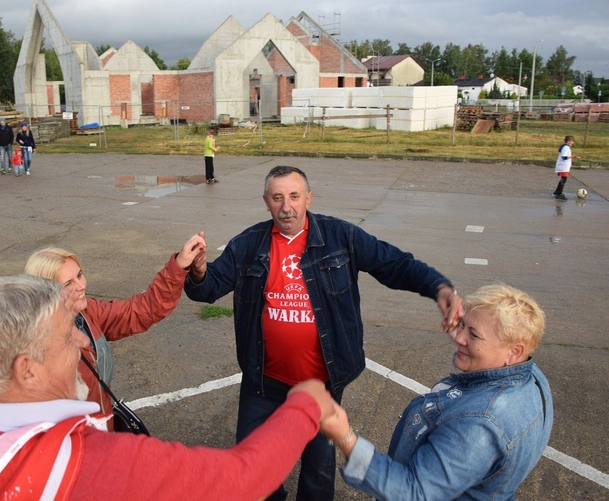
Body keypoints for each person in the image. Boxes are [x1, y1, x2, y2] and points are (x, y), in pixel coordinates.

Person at [0, 274, 345, 500]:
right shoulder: (90, 464)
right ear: (26, 371)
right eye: (68, 336)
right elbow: (243, 480)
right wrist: (305, 404)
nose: (80, 342)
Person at [184, 165, 462, 500]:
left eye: (294, 196)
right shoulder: (247, 244)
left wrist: (438, 287)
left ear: (308, 198)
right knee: (252, 468)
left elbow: (394, 264)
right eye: (277, 198)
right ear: (266, 202)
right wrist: (199, 271)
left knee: (317, 472)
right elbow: (208, 288)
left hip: (321, 384)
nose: (286, 206)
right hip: (263, 383)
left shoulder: (341, 237)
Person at [321, 283, 553, 500]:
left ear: (514, 352)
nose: (459, 338)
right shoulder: (531, 378)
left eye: (474, 334)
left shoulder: (479, 424)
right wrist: (471, 343)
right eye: (463, 325)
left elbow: (413, 492)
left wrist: (344, 437)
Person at [24, 233, 205, 415]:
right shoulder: (33, 347)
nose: (81, 285)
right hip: (76, 437)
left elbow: (141, 311)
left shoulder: (87, 314)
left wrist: (179, 265)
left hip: (102, 428)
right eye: (68, 283)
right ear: (46, 292)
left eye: (80, 275)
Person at [553, 135, 579, 200]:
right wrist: (572, 157)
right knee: (563, 179)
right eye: (571, 141)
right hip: (563, 166)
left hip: (563, 166)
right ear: (568, 141)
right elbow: (564, 157)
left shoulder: (565, 147)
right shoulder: (566, 148)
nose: (572, 143)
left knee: (563, 179)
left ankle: (557, 192)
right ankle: (559, 193)